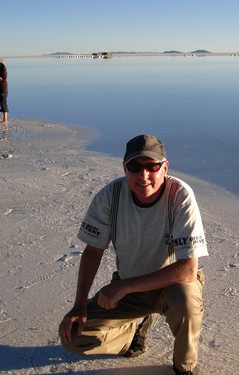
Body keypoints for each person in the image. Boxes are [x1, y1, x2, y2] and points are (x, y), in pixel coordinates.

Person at [59, 135, 208, 375]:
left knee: (187, 302)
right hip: (128, 288)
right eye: (135, 167)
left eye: (152, 166)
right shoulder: (111, 195)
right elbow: (93, 251)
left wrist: (124, 287)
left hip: (172, 285)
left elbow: (188, 269)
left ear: (165, 168)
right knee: (72, 337)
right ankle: (132, 331)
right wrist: (79, 306)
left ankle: (184, 368)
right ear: (125, 169)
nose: (144, 175)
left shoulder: (180, 195)